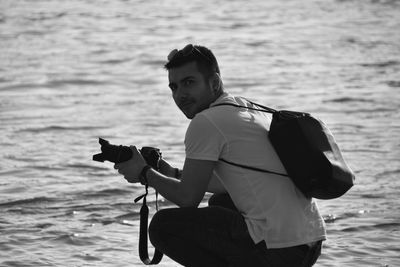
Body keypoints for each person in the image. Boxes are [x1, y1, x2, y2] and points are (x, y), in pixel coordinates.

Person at [114, 44, 326, 267]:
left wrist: (145, 173)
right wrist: (172, 173)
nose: (180, 95)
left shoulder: (206, 122)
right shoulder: (246, 109)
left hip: (279, 250)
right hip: (308, 243)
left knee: (162, 226)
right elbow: (233, 183)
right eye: (174, 87)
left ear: (214, 82)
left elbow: (188, 199)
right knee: (220, 202)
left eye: (189, 82)